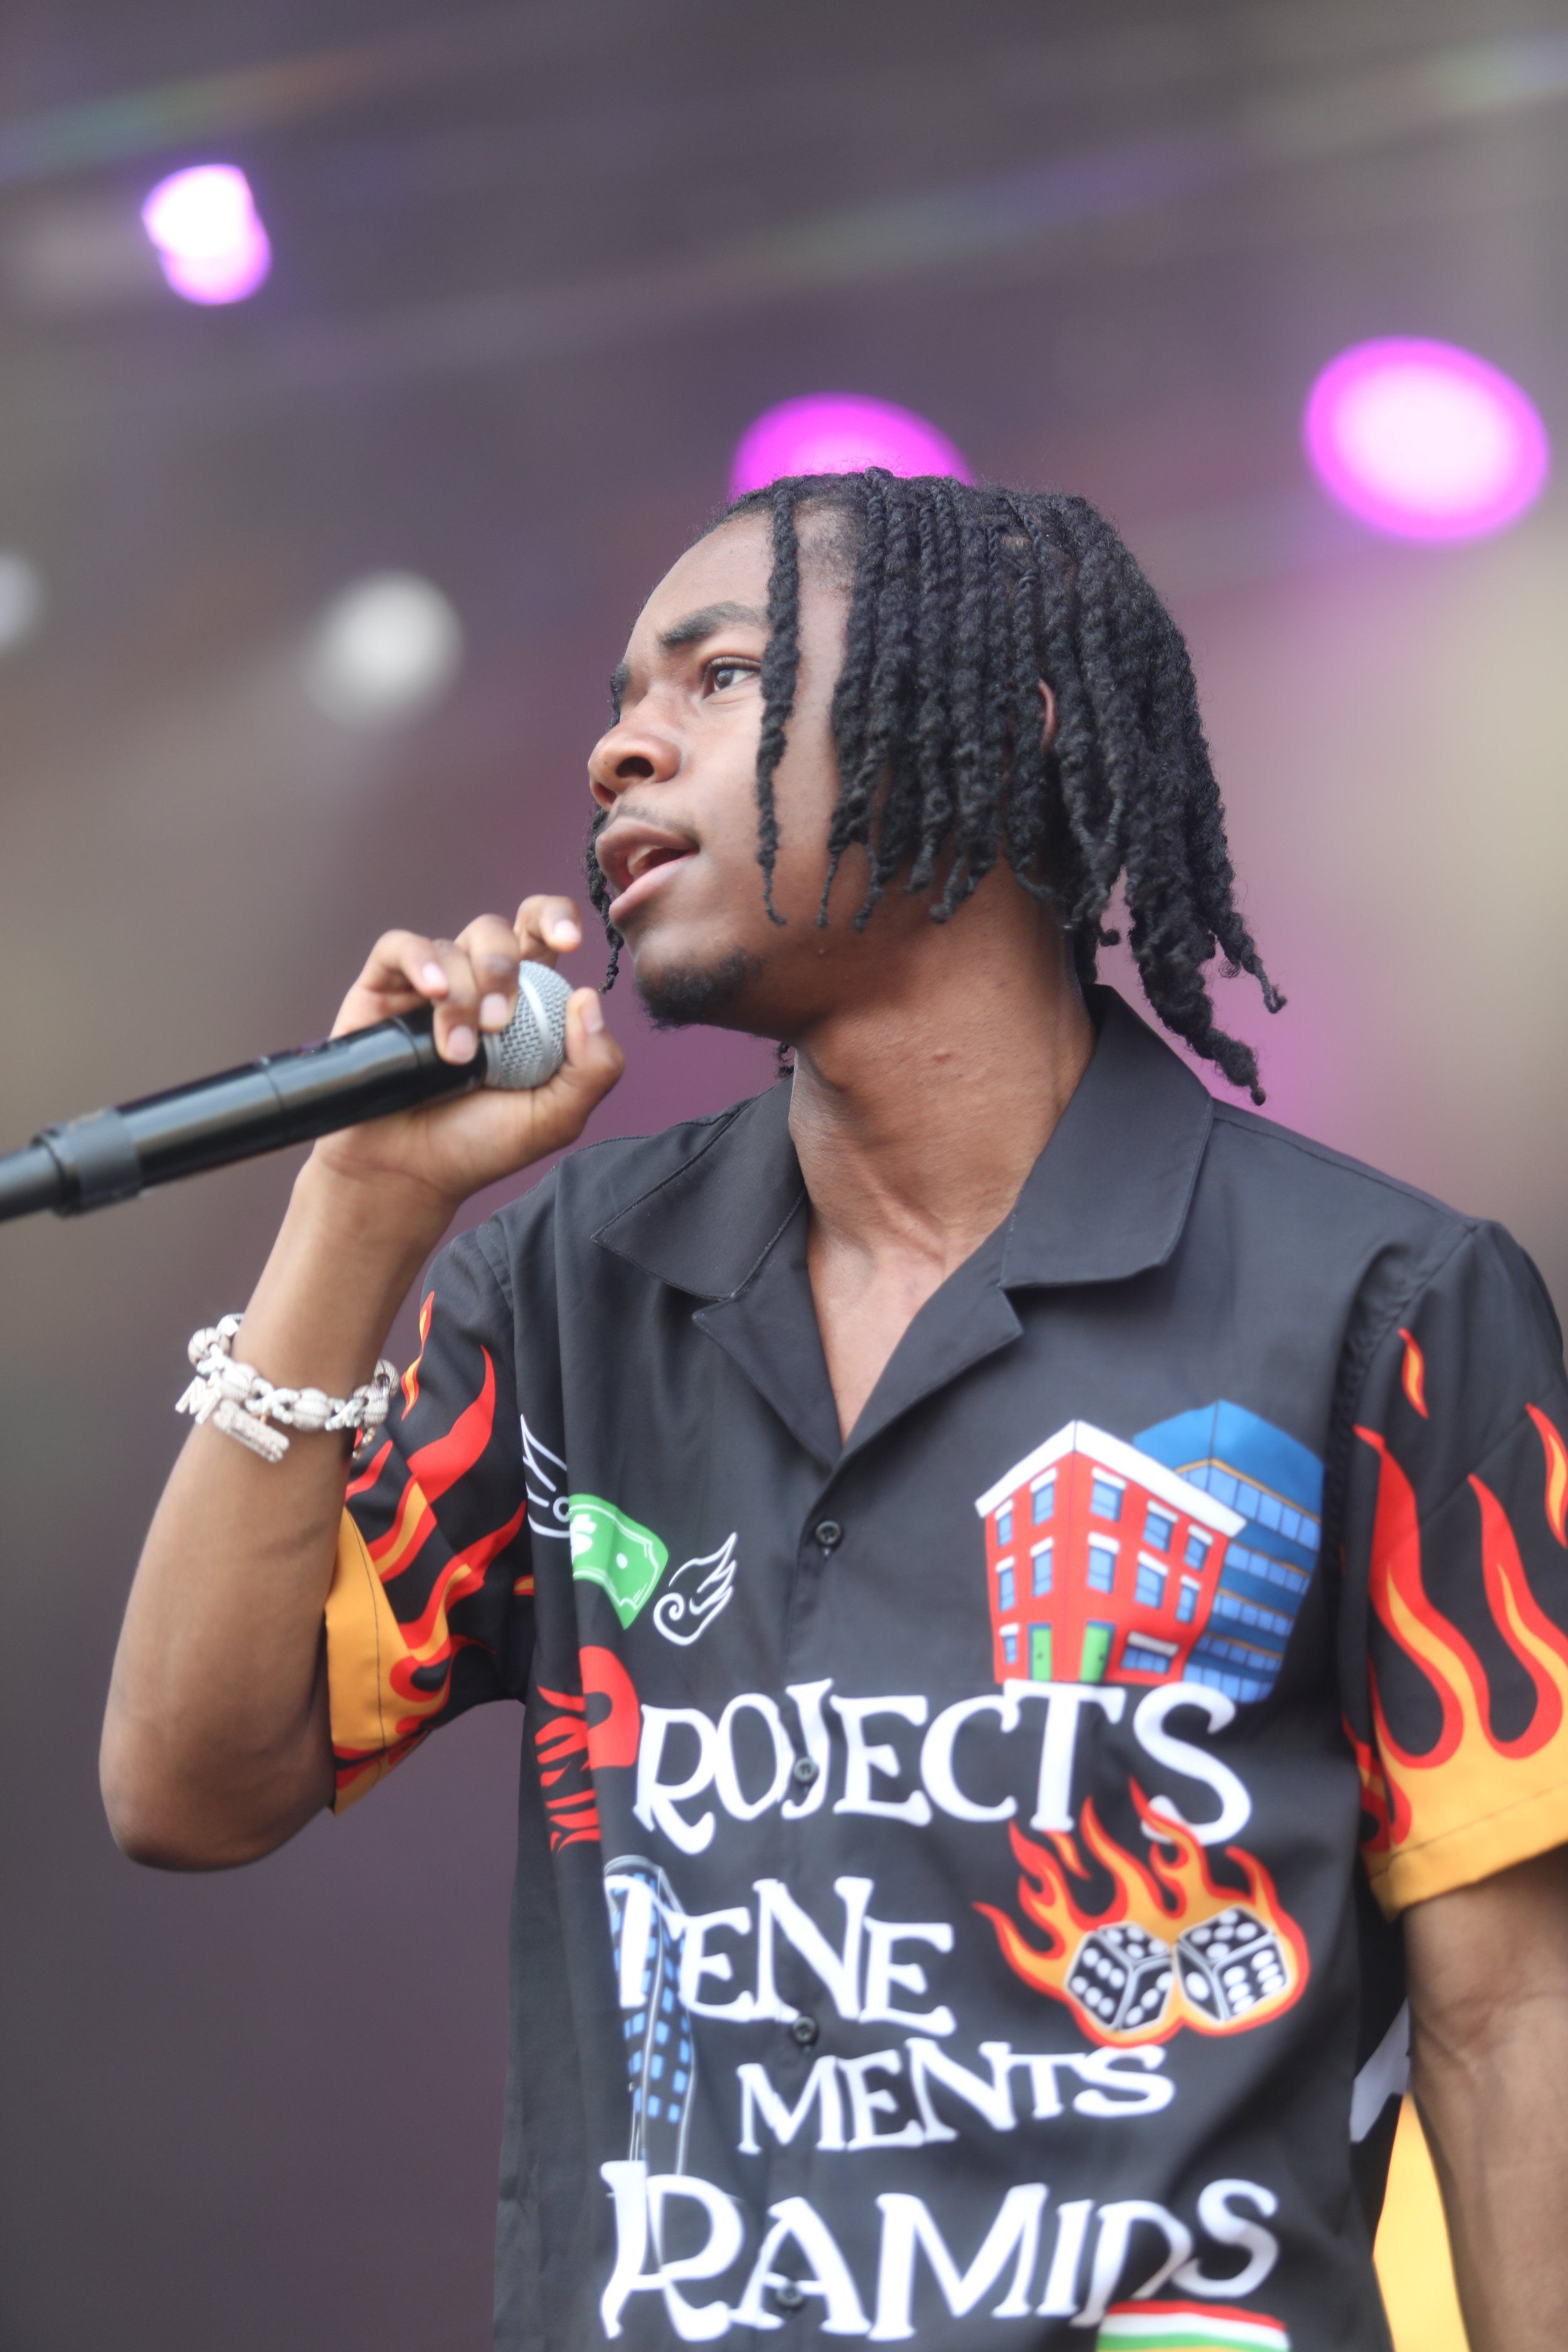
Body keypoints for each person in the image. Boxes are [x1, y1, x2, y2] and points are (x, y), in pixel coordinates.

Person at [103, 471, 1568, 2352]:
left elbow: (1508, 2020)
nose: (621, 750)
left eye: (718, 677)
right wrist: (362, 1204)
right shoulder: (563, 1290)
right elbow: (192, 1786)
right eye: (621, 704)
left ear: (1003, 728)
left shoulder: (1380, 1309)